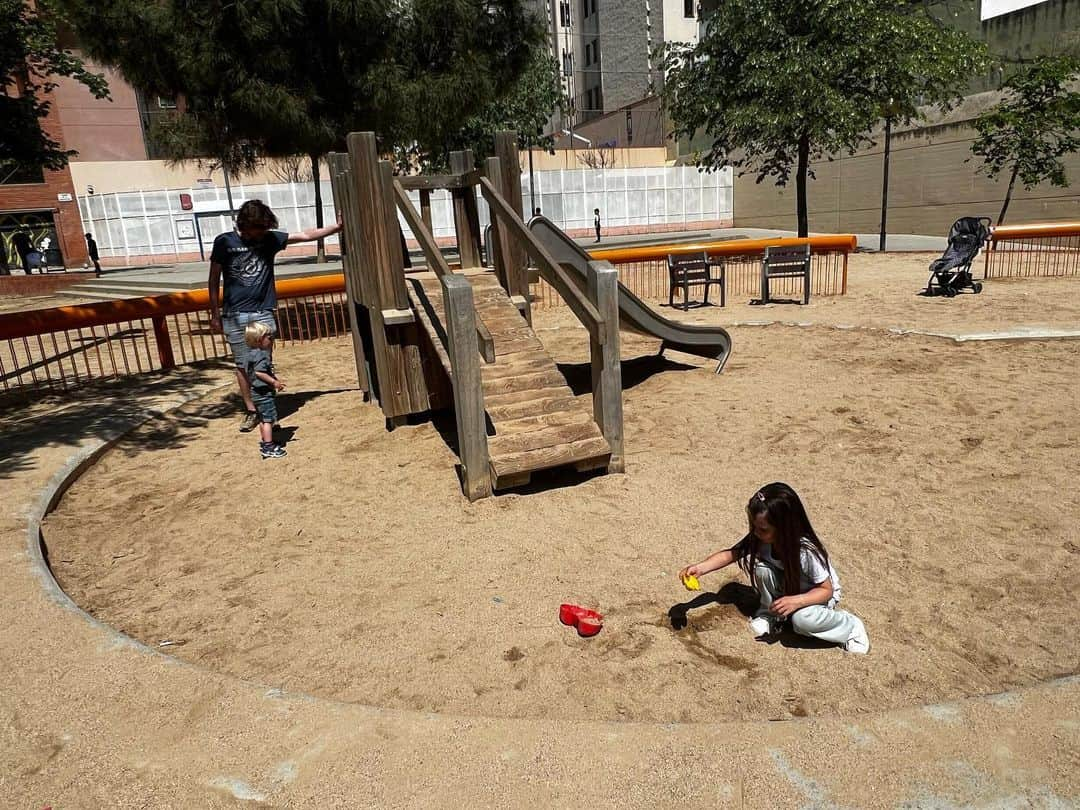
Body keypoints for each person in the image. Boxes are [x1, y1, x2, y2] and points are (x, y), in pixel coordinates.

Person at [679, 482, 870, 654]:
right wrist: (700, 568)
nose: (756, 533)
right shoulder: (761, 538)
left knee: (801, 622)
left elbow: (826, 590)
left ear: (785, 527)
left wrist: (797, 601)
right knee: (762, 568)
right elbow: (731, 554)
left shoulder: (805, 551)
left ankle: (851, 627)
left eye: (763, 529)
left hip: (815, 595)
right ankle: (768, 614)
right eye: (754, 526)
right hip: (789, 587)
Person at [208, 198, 341, 432]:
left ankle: (268, 409)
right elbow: (213, 279)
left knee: (261, 362)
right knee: (242, 364)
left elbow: (305, 235)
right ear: (246, 225)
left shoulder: (270, 240)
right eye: (260, 228)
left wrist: (336, 228)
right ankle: (251, 410)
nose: (263, 233)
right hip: (234, 314)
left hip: (261, 313)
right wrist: (215, 314)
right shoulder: (224, 242)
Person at [243, 321, 287, 459]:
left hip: (255, 392)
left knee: (263, 419)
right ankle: (268, 446)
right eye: (269, 337)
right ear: (259, 339)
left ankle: (266, 441)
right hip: (263, 393)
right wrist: (274, 382)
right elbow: (259, 373)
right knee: (268, 420)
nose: (272, 339)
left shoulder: (251, 354)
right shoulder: (261, 356)